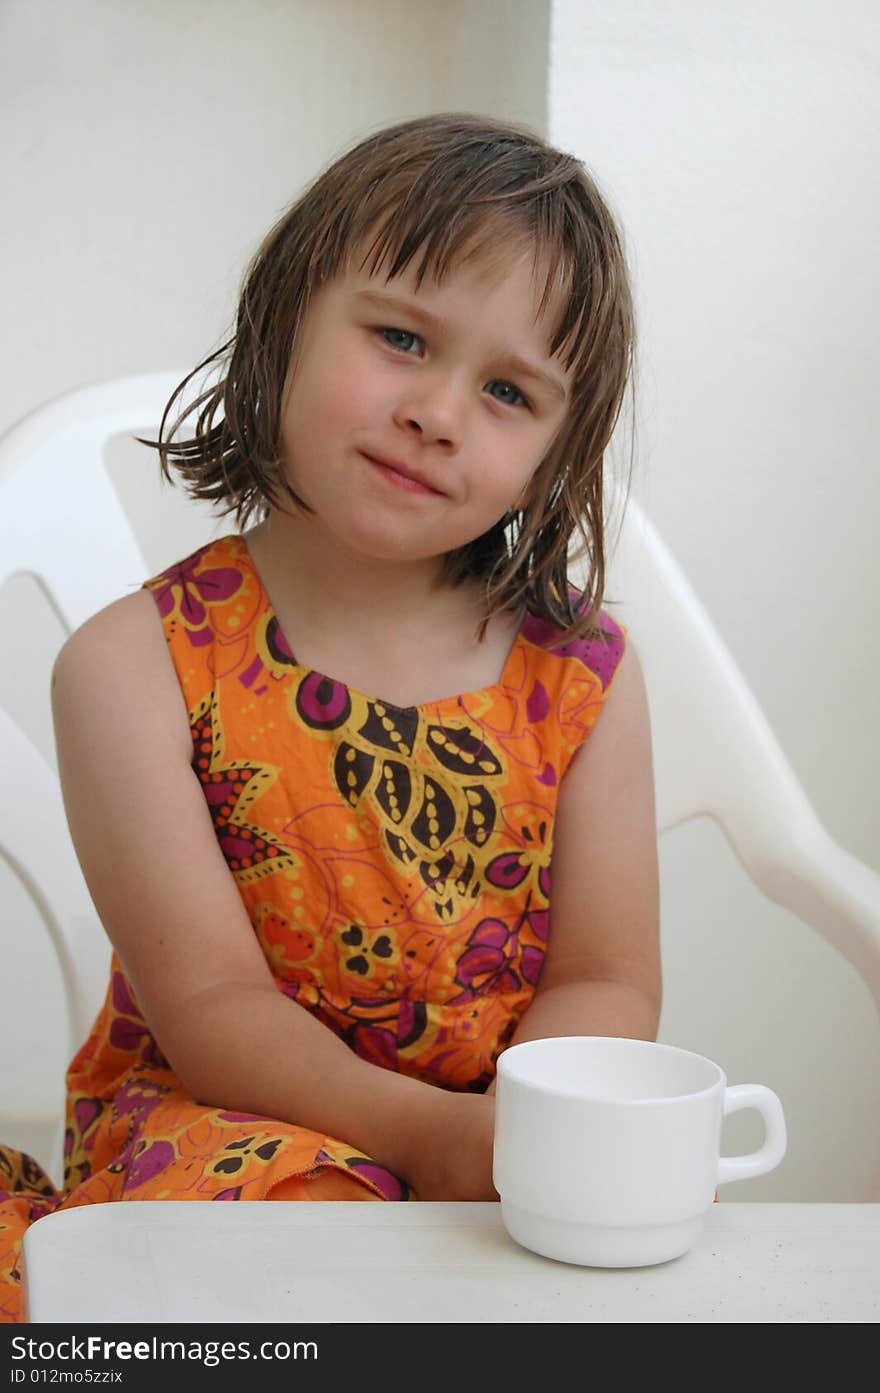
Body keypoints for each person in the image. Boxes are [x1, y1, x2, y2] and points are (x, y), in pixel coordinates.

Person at [0, 112, 660, 1321]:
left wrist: (522, 1129)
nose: (438, 412)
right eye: (402, 337)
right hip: (229, 1133)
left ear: (556, 456)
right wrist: (434, 1144)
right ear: (285, 317)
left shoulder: (584, 681)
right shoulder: (133, 665)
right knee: (296, 1246)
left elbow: (609, 976)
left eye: (508, 390)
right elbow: (212, 1013)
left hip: (495, 1138)